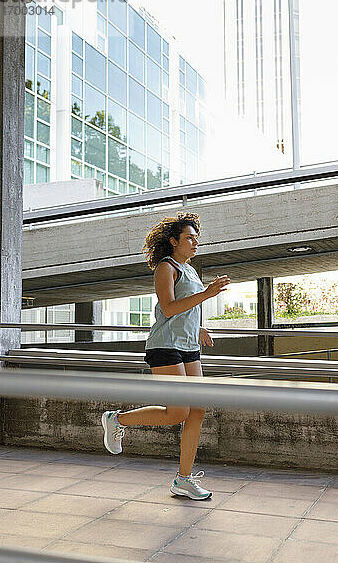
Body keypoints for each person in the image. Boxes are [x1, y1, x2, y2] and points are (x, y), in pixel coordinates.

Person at [101, 211, 230, 500]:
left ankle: (183, 480)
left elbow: (187, 309)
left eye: (197, 238)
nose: (195, 243)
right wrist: (208, 294)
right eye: (189, 238)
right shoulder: (166, 267)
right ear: (174, 241)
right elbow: (169, 308)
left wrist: (199, 327)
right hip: (165, 345)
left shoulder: (191, 270)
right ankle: (117, 419)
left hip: (188, 346)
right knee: (178, 412)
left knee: (197, 411)